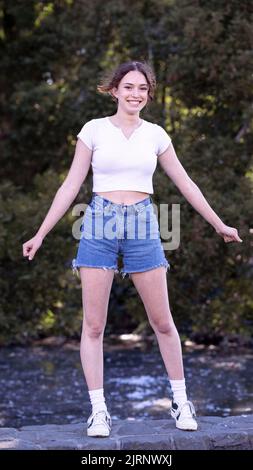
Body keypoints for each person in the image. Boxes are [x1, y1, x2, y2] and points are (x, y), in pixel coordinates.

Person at [23, 60, 242, 438]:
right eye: (128, 87)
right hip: (98, 221)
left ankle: (181, 400)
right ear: (114, 90)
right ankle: (98, 411)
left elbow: (186, 183)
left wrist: (218, 223)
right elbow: (70, 186)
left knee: (163, 321)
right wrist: (41, 233)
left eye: (142, 88)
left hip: (142, 221)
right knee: (93, 325)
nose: (135, 93)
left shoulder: (156, 135)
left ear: (148, 94)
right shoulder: (93, 131)